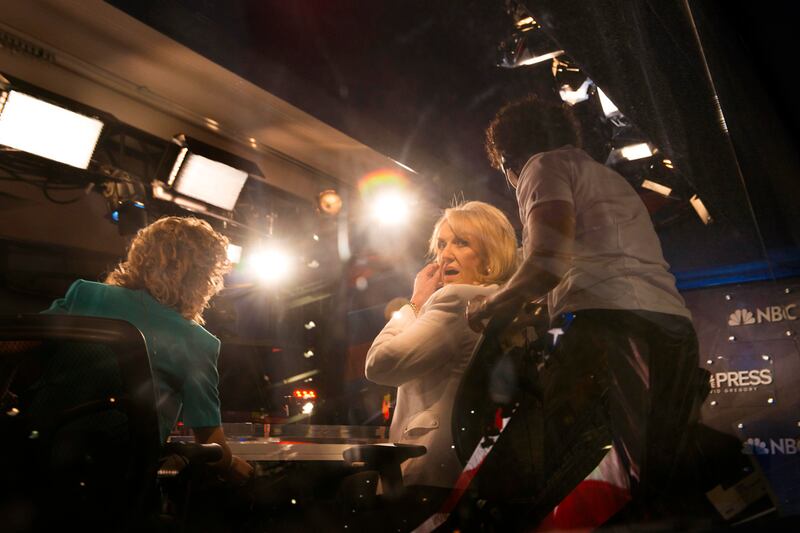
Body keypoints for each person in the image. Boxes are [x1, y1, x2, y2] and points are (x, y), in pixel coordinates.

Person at [468, 94, 703, 521]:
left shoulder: (542, 167)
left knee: (552, 469)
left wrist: (491, 304)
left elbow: (547, 262)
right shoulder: (605, 177)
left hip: (614, 328)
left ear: (506, 157)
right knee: (653, 481)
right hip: (671, 328)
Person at [44, 216, 253, 485]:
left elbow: (19, 341)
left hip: (40, 461)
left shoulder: (85, 294)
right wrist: (232, 464)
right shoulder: (198, 342)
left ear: (140, 257)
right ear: (203, 279)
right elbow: (211, 446)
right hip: (119, 481)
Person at [365, 201, 518, 494]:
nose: (445, 254)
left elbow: (379, 364)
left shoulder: (457, 299)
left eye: (461, 243)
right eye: (442, 244)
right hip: (474, 465)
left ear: (490, 257)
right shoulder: (502, 302)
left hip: (428, 469)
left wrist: (415, 302)